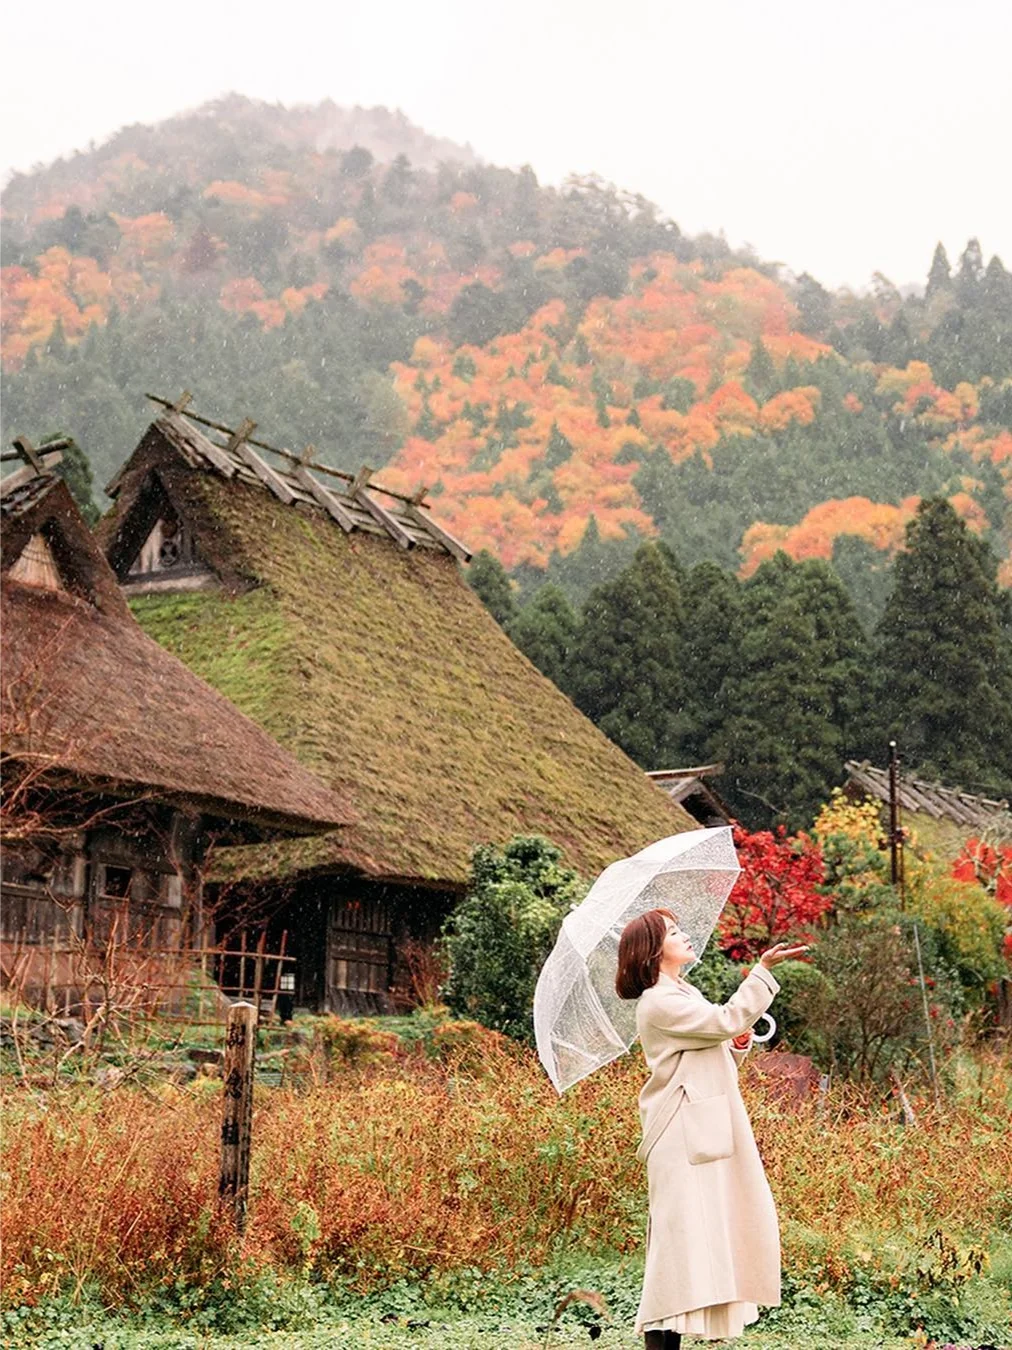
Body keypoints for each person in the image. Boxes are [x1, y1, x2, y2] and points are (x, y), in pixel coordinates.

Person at [615, 908, 808, 1349]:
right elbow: (723, 1021)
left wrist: (737, 1044)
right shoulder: (659, 1001)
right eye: (673, 932)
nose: (684, 937)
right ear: (653, 951)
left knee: (695, 1243)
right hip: (679, 1133)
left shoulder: (681, 992)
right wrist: (760, 973)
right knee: (677, 1245)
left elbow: (713, 1048)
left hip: (697, 1127)